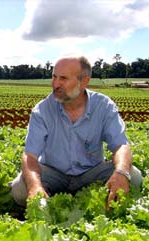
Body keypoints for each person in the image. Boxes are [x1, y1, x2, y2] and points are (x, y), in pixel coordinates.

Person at [10, 56, 142, 208]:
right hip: (54, 173)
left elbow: (121, 145)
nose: (55, 84)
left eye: (63, 78)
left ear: (84, 81)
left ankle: (99, 200)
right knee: (20, 191)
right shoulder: (42, 110)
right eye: (54, 77)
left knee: (133, 177)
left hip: (92, 172)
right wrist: (34, 186)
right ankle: (48, 198)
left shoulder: (104, 106)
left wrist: (121, 173)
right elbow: (30, 156)